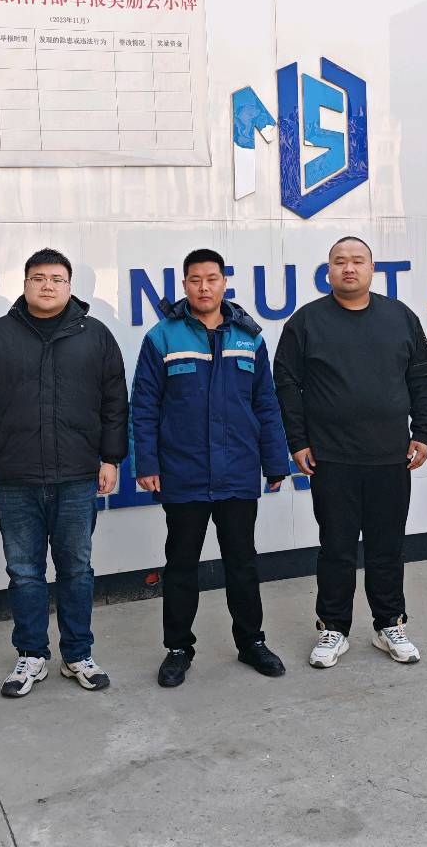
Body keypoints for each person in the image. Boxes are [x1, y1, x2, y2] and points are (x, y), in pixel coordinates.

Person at [0, 248, 129, 698]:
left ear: (70, 286)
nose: (47, 286)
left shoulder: (95, 336)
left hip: (76, 476)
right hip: (16, 478)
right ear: (25, 284)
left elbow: (115, 403)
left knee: (77, 570)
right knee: (24, 572)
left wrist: (111, 459)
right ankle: (31, 655)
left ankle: (77, 655)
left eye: (56, 279)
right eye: (38, 278)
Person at [273, 236, 427, 669]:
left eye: (358, 260)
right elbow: (286, 384)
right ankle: (333, 628)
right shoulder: (306, 322)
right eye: (340, 261)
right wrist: (297, 441)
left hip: (390, 456)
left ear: (372, 268)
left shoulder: (400, 318)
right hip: (332, 458)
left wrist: (423, 433)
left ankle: (389, 624)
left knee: (387, 547)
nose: (349, 268)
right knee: (336, 548)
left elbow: (422, 380)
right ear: (328, 271)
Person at [131, 248, 292, 687]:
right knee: (181, 564)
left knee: (242, 563)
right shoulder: (162, 337)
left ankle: (251, 642)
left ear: (224, 282)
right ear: (184, 284)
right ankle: (177, 649)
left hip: (238, 471)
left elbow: (265, 403)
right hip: (183, 472)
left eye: (212, 278)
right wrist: (147, 462)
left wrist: (275, 460)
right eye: (195, 279)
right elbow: (143, 406)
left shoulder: (249, 337)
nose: (204, 287)